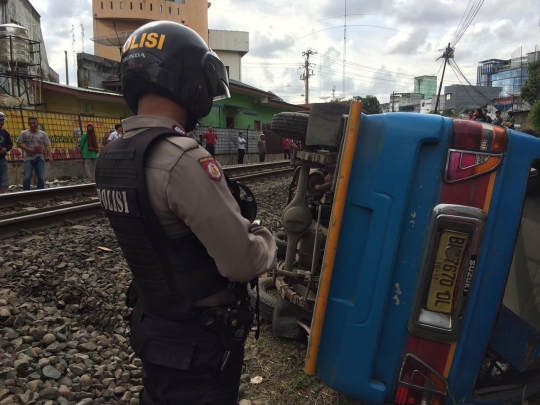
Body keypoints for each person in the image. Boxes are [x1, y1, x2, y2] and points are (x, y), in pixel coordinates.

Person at [94, 21, 276, 405]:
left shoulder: (112, 155)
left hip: (155, 323)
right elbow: (241, 263)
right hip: (198, 341)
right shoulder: (181, 158)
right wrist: (264, 238)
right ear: (191, 82)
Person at [17, 117, 53, 191]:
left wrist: (50, 156)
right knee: (27, 177)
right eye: (31, 123)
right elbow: (19, 143)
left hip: (40, 158)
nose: (32, 125)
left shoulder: (42, 134)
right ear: (28, 124)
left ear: (37, 124)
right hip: (28, 158)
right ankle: (26, 193)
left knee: (41, 177)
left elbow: (46, 145)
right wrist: (28, 149)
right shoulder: (24, 133)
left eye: (34, 123)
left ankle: (39, 193)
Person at [0, 112, 13, 193]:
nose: (2, 122)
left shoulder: (4, 132)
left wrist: (6, 149)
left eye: (2, 120)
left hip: (2, 159)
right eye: (0, 120)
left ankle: (2, 196)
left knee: (3, 179)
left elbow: (10, 144)